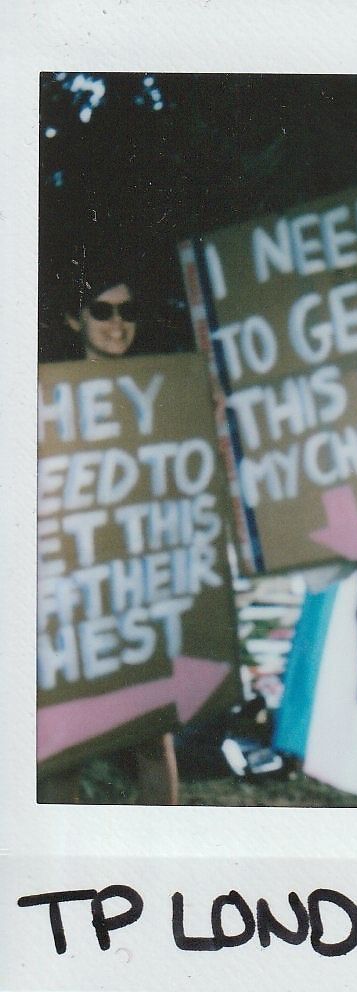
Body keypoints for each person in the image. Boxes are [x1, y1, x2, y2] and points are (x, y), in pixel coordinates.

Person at [37, 265, 179, 805]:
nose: (117, 323)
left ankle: (159, 866)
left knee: (152, 734)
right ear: (76, 319)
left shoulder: (165, 393)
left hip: (142, 583)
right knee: (61, 745)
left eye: (127, 311)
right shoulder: (44, 396)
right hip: (68, 589)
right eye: (102, 310)